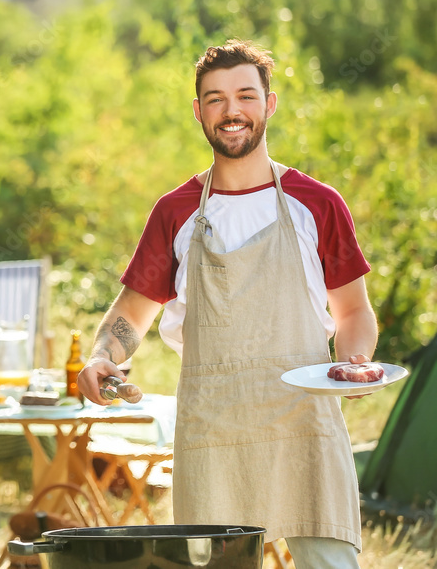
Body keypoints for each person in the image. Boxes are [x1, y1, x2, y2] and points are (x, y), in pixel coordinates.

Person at [78, 40, 377, 569]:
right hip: (214, 431)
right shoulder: (174, 213)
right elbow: (131, 312)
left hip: (303, 424)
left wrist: (354, 364)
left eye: (245, 95)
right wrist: (105, 354)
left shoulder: (318, 204)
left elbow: (353, 313)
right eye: (215, 99)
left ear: (269, 104)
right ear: (198, 111)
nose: (231, 110)